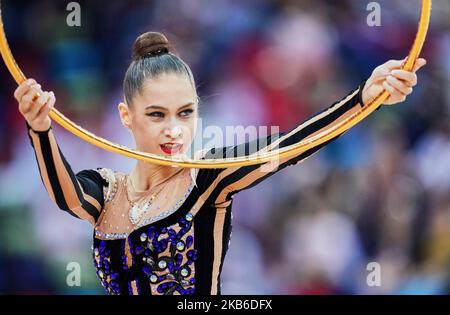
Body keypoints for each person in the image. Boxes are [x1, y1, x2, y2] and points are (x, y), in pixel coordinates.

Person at [14, 32, 426, 295]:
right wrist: (40, 129)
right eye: (157, 115)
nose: (174, 130)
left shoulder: (207, 179)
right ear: (126, 117)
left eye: (186, 113)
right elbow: (68, 197)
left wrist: (362, 99)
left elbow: (290, 146)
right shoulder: (106, 190)